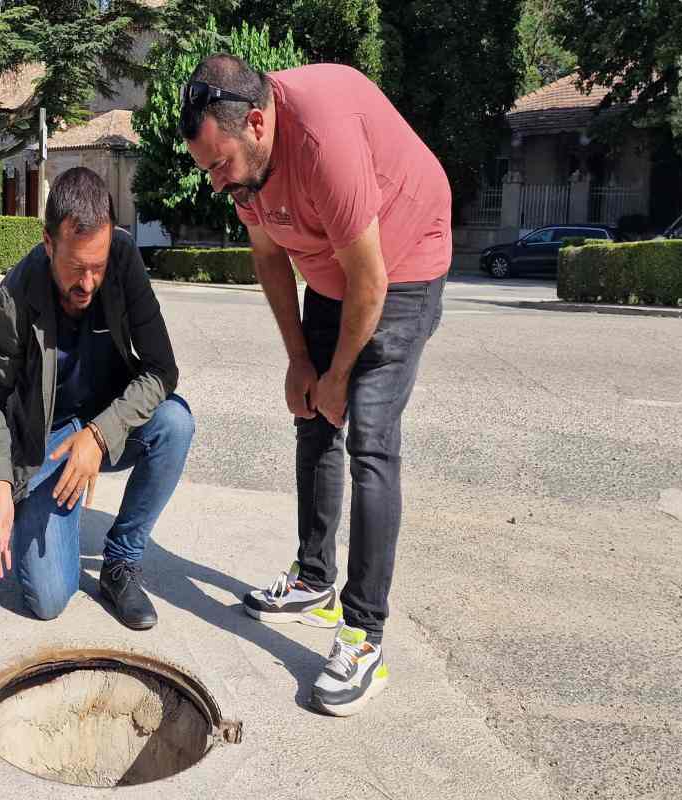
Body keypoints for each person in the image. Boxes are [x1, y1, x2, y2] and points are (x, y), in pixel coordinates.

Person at [180, 56, 451, 715]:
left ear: (256, 121)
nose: (217, 184)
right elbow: (271, 258)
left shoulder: (322, 141)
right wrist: (302, 364)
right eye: (207, 169)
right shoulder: (245, 166)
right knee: (312, 415)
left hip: (402, 262)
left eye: (219, 166)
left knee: (370, 439)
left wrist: (337, 378)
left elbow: (373, 282)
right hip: (337, 272)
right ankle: (314, 578)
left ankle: (363, 635)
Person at [0, 166, 194, 630]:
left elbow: (162, 370)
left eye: (98, 266)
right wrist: (0, 489)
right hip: (47, 443)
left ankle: (120, 561)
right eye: (76, 268)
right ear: (49, 243)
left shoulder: (125, 259)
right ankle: (54, 505)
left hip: (106, 425)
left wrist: (99, 435)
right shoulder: (12, 298)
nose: (89, 283)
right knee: (49, 599)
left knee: (175, 424)